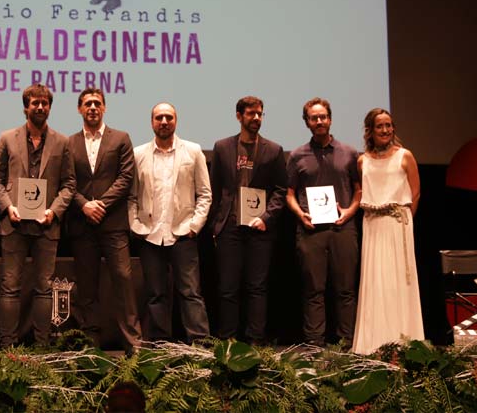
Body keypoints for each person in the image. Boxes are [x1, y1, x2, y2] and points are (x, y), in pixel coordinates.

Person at [0, 85, 76, 347]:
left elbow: (69, 183)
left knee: (44, 289)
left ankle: (41, 347)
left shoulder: (62, 142)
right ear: (26, 107)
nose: (40, 107)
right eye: (35, 103)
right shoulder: (7, 138)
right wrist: (8, 207)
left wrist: (54, 211)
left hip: (46, 225)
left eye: (45, 103)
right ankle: (8, 347)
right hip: (13, 222)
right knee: (10, 288)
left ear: (50, 107)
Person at [128, 103, 212, 342]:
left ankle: (200, 346)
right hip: (150, 235)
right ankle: (160, 346)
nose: (164, 122)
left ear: (176, 121)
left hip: (183, 233)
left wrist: (195, 226)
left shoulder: (193, 151)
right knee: (155, 295)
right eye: (159, 118)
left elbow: (205, 194)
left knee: (191, 293)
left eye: (168, 117)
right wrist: (135, 225)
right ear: (152, 122)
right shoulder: (138, 154)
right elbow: (132, 196)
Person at [208, 96, 287, 344]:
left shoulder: (273, 150)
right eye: (251, 113)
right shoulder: (222, 147)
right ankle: (228, 342)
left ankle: (255, 342)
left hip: (260, 228)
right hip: (230, 227)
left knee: (257, 288)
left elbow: (281, 190)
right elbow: (216, 188)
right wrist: (215, 226)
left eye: (260, 114)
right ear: (239, 116)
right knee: (228, 289)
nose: (256, 118)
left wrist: (266, 217)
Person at [68, 88, 142, 350]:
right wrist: (84, 205)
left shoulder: (121, 138)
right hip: (82, 224)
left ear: (105, 108)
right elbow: (67, 183)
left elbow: (125, 178)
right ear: (79, 109)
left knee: (123, 280)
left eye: (97, 103)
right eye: (87, 103)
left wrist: (100, 205)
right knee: (87, 289)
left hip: (113, 225)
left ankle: (133, 343)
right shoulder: (69, 143)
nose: (92, 107)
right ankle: (90, 344)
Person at [285, 98, 360, 348]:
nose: (319, 121)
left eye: (323, 117)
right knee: (313, 291)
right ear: (306, 122)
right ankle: (314, 345)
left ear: (330, 119)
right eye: (313, 118)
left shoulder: (349, 153)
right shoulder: (297, 155)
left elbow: (359, 190)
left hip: (343, 229)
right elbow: (289, 194)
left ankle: (346, 343)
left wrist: (349, 211)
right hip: (310, 231)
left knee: (345, 290)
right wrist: (300, 214)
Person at [352, 108, 424, 354]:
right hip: (373, 225)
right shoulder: (363, 161)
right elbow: (363, 191)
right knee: (375, 282)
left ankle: (404, 340)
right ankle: (374, 343)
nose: (385, 130)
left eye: (389, 125)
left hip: (397, 225)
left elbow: (415, 192)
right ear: (370, 131)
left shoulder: (405, 156)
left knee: (398, 283)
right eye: (380, 126)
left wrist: (404, 221)